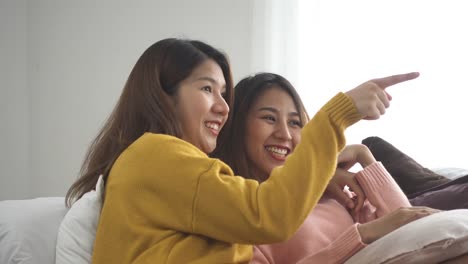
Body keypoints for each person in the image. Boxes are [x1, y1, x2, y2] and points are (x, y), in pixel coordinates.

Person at [65, 38, 419, 263]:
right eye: (207, 89)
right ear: (163, 95)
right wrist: (336, 116)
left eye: (224, 94)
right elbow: (268, 215)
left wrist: (340, 165)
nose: (222, 107)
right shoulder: (155, 155)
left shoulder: (171, 175)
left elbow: (413, 227)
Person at [212, 72, 468, 263]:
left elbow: (413, 229)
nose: (285, 134)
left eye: (295, 122)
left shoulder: (335, 192)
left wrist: (363, 155)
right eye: (269, 118)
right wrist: (363, 235)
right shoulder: (241, 213)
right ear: (236, 127)